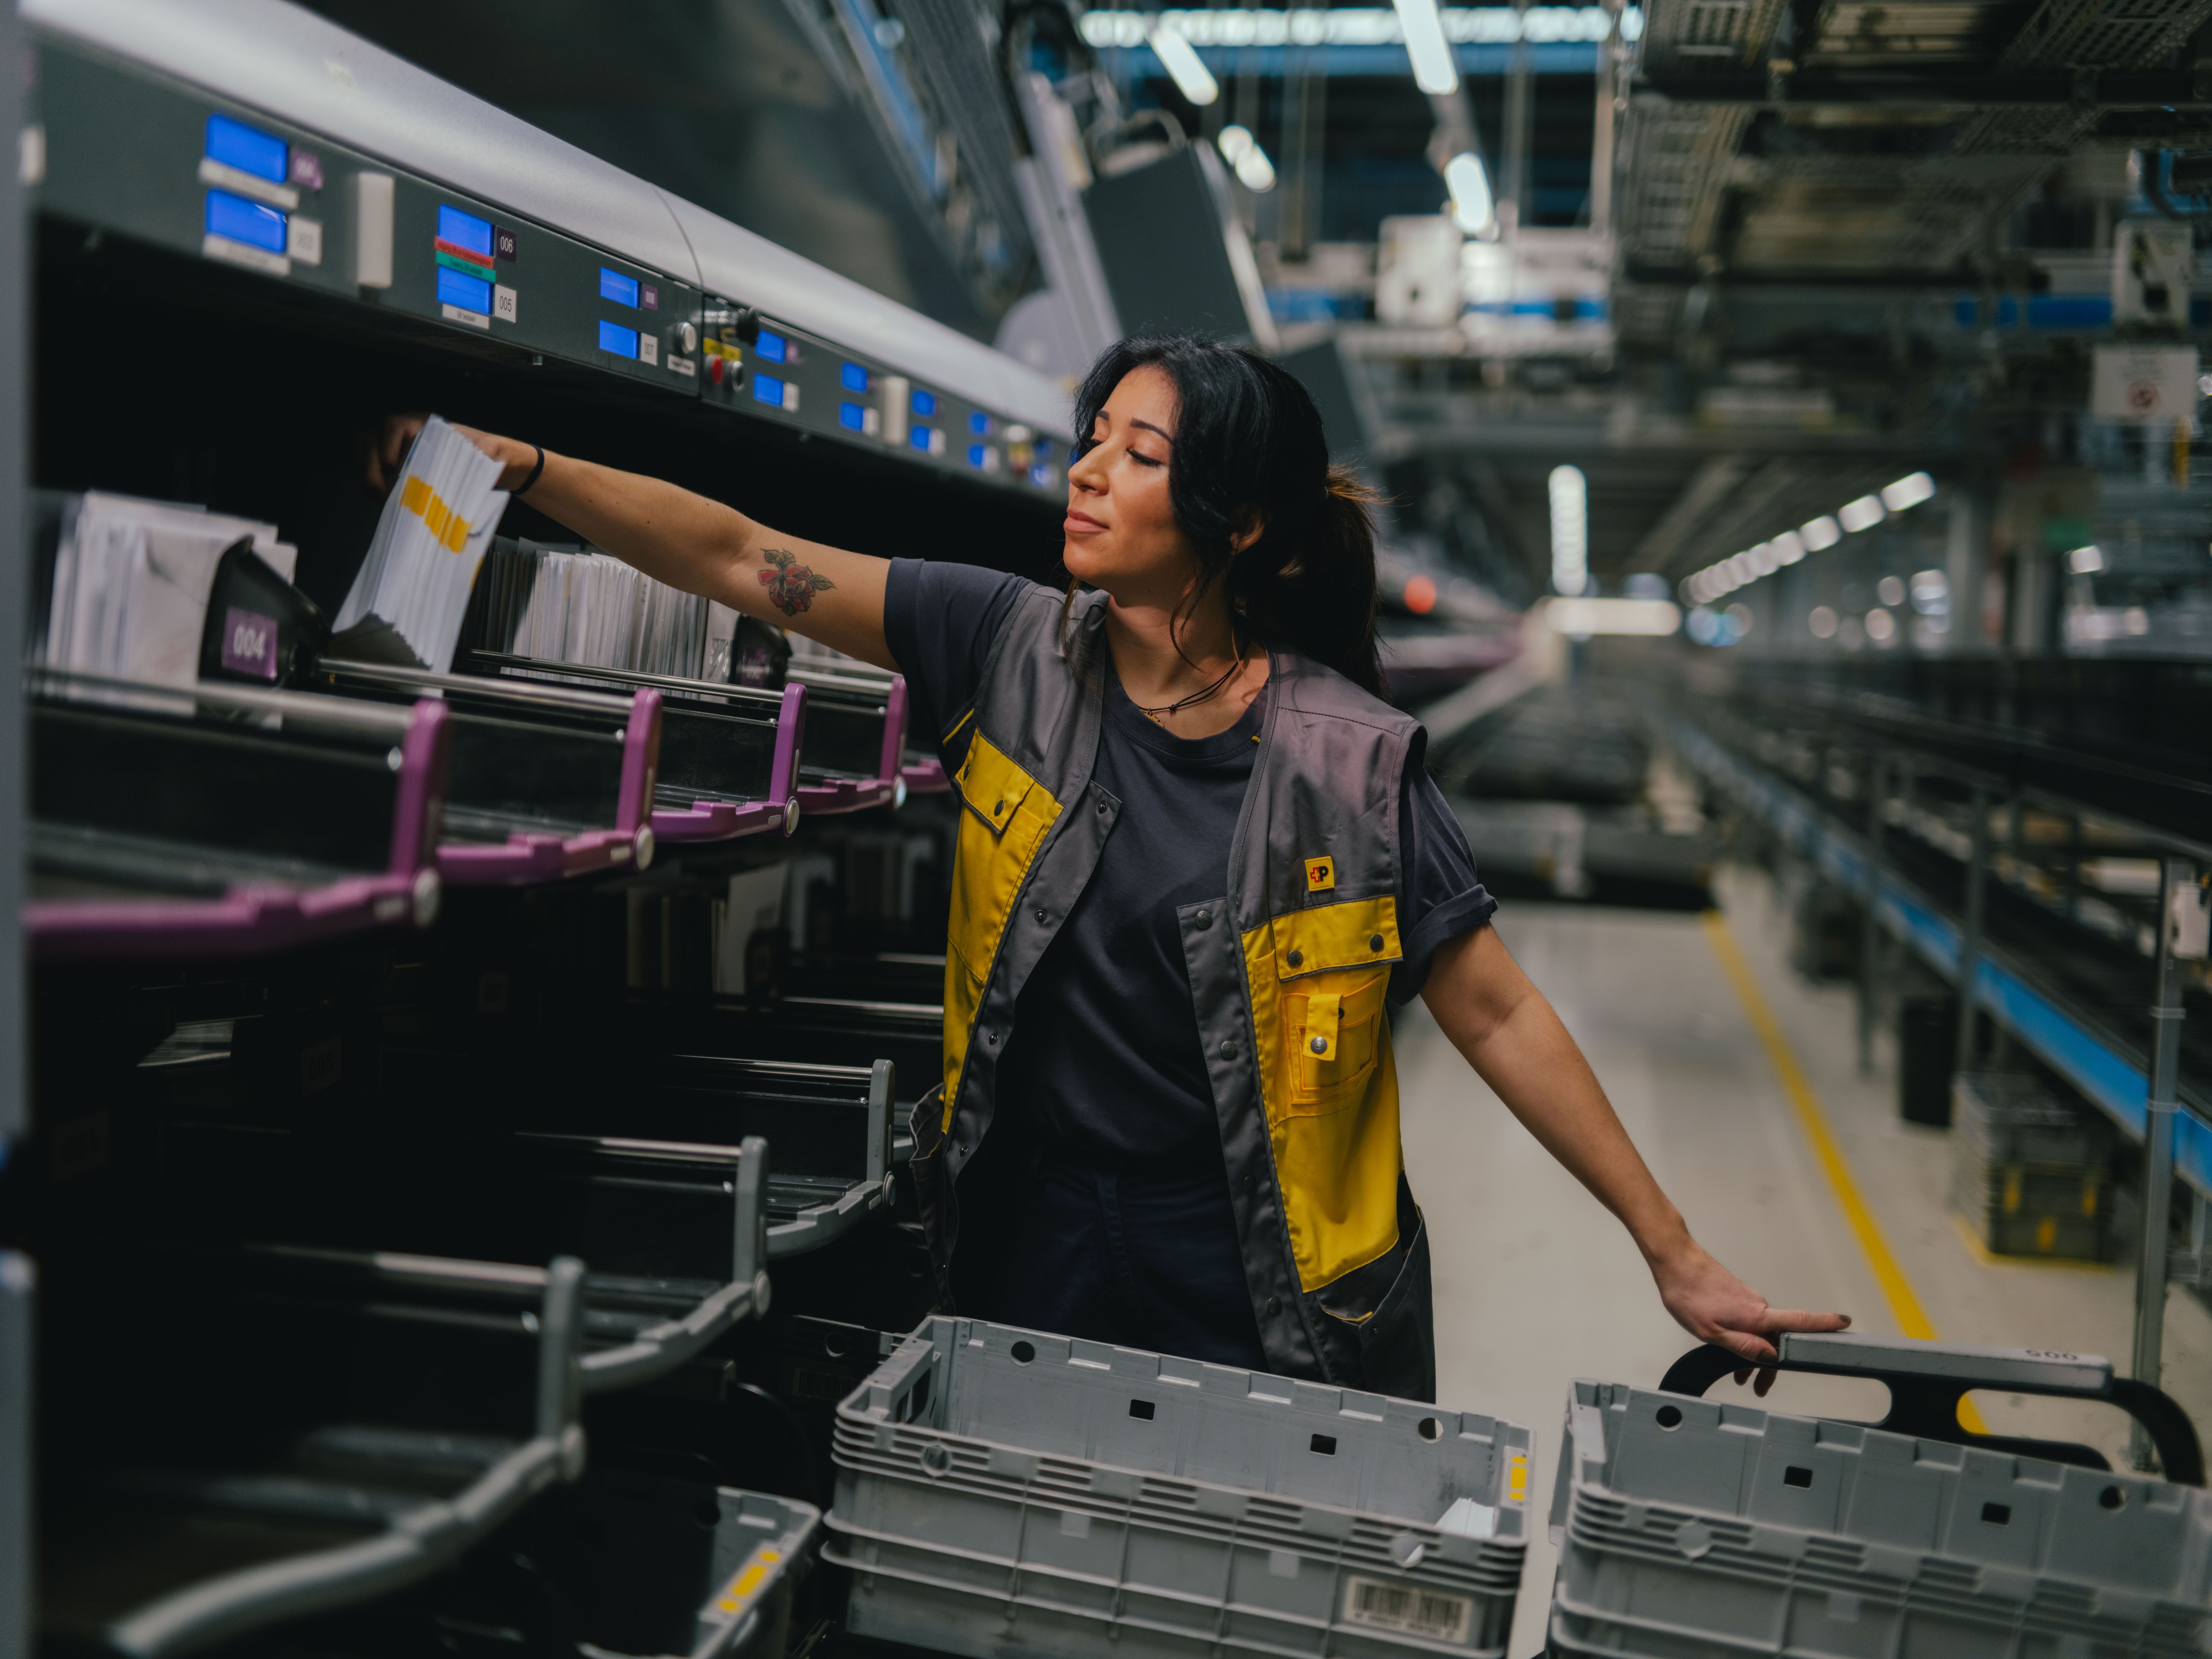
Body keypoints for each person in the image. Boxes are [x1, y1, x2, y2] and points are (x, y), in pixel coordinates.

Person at [372, 335, 1846, 1400]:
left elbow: (1500, 1012)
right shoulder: (1000, 648)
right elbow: (746, 558)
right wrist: (529, 467)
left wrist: (1671, 1250)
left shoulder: (1350, 764)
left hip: (1257, 1269)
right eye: (1095, 439)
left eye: (1140, 457)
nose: (1086, 470)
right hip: (1036, 1231)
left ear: (1236, 525)